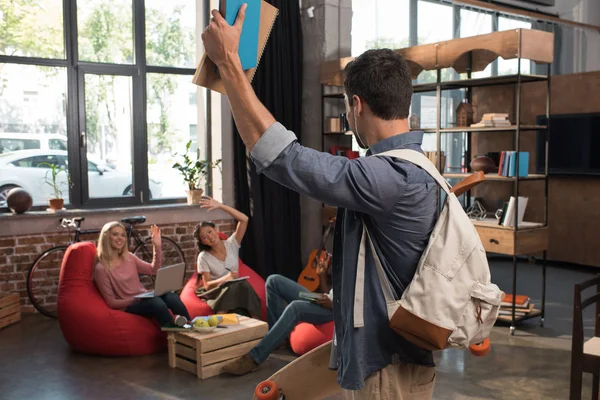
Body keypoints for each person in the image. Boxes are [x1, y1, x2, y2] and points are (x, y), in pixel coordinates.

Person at [202, 6, 438, 399]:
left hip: (387, 370)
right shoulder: (413, 170)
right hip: (386, 357)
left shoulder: (389, 177)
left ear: (356, 105)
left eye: (348, 109)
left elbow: (284, 158)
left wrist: (228, 62)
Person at [223, 253, 333, 375]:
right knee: (273, 281)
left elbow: (356, 304)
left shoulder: (355, 261)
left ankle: (255, 358)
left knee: (296, 307)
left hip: (336, 310)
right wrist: (322, 276)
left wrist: (334, 304)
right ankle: (276, 339)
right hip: (324, 299)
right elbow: (330, 293)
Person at [93, 221, 191, 328]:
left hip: (143, 297)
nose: (120, 238)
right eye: (115, 234)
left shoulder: (129, 257)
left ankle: (191, 327)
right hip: (129, 304)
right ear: (106, 237)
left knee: (172, 296)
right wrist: (135, 299)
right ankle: (176, 335)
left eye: (122, 235)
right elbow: (112, 302)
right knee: (156, 303)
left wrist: (157, 246)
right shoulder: (101, 268)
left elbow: (153, 269)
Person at [192, 196, 262, 318]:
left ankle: (258, 326)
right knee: (235, 286)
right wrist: (227, 278)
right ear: (203, 243)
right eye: (204, 237)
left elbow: (244, 219)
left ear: (215, 229)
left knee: (241, 285)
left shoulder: (231, 244)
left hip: (236, 288)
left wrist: (220, 206)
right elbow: (207, 285)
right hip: (217, 292)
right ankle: (220, 320)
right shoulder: (203, 257)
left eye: (209, 231)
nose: (209, 237)